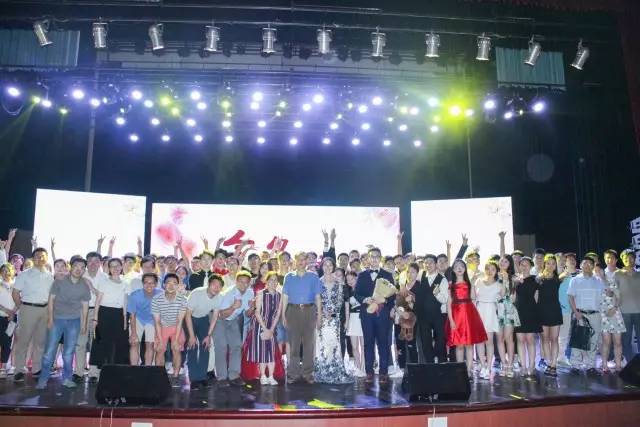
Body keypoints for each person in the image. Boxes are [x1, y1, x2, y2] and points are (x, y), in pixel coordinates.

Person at [36, 256, 90, 389]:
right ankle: (43, 379)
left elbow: (85, 306)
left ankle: (67, 379)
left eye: (82, 268)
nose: (79, 269)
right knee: (49, 351)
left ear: (84, 270)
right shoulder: (59, 281)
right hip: (57, 319)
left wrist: (83, 324)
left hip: (74, 321)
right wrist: (50, 318)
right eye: (76, 266)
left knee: (68, 352)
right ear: (71, 267)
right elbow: (51, 300)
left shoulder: (84, 285)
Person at [11, 247, 54, 382]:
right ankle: (19, 370)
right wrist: (21, 307)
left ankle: (36, 369)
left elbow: (51, 296)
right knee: (23, 341)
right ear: (32, 258)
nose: (40, 258)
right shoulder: (25, 274)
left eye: (43, 256)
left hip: (45, 310)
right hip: (28, 308)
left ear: (46, 258)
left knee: (40, 341)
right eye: (37, 256)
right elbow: (15, 293)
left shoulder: (49, 276)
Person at [355, 247, 396, 384]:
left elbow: (393, 295)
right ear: (368, 258)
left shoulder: (387, 274)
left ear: (380, 258)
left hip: (383, 314)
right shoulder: (362, 275)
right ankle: (369, 372)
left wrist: (385, 301)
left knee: (383, 343)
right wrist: (365, 299)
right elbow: (357, 293)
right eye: (372, 256)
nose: (374, 259)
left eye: (377, 256)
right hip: (366, 314)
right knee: (368, 343)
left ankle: (383, 372)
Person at [282, 252, 322, 384]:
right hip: (292, 311)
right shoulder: (289, 276)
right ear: (295, 261)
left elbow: (317, 297)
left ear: (306, 261)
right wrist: (283, 314)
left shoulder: (313, 277)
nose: (301, 262)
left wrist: (319, 315)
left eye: (303, 260)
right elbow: (285, 297)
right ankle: (293, 374)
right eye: (298, 259)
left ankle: (308, 373)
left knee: (309, 344)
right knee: (293, 344)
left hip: (310, 311)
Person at [445, 259, 487, 377]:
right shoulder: (451, 285)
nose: (459, 268)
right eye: (456, 267)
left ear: (465, 269)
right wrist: (451, 320)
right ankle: (460, 370)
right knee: (459, 345)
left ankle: (468, 370)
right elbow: (449, 304)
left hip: (469, 315)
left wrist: (472, 284)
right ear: (453, 270)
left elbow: (473, 297)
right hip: (457, 316)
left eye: (462, 266)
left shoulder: (468, 283)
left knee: (469, 344)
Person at [314, 258, 353, 384]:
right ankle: (323, 370)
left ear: (334, 267)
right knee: (322, 345)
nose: (327, 267)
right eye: (325, 265)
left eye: (330, 265)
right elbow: (314, 301)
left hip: (336, 320)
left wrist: (347, 320)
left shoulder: (339, 283)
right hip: (321, 318)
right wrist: (322, 313)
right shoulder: (317, 282)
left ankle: (335, 370)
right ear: (322, 267)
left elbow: (346, 303)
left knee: (334, 345)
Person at [214, 270, 254, 387]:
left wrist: (252, 308)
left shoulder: (250, 292)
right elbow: (221, 314)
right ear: (236, 282)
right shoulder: (228, 293)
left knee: (236, 346)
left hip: (233, 320)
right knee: (221, 347)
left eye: (246, 282)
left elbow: (247, 314)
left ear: (249, 283)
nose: (243, 284)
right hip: (220, 320)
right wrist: (233, 307)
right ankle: (222, 377)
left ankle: (234, 375)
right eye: (240, 281)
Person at [90, 258, 129, 378]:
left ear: (121, 267)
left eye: (118, 266)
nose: (115, 268)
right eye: (112, 266)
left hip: (119, 315)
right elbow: (98, 301)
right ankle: (101, 372)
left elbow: (125, 302)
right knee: (103, 342)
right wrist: (95, 319)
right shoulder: (104, 282)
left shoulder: (125, 283)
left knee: (119, 343)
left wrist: (125, 319)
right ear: (109, 268)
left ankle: (116, 372)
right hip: (104, 313)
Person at [185, 274, 224, 389]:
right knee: (192, 346)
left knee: (206, 346)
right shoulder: (197, 293)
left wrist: (209, 335)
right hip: (190, 318)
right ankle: (194, 379)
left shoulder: (219, 297)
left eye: (219, 286)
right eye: (214, 285)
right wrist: (191, 335)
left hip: (203, 319)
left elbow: (215, 317)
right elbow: (187, 314)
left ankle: (202, 377)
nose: (216, 288)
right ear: (208, 284)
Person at [567, 256, 605, 374]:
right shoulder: (575, 280)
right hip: (580, 314)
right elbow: (570, 297)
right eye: (585, 263)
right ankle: (575, 365)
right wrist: (576, 312)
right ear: (581, 265)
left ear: (593, 266)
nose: (587, 265)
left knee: (593, 341)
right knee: (578, 340)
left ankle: (590, 366)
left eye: (590, 263)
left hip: (595, 315)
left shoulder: (598, 280)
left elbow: (605, 296)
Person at [73, 251, 105, 383]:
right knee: (80, 342)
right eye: (90, 261)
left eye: (96, 261)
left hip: (98, 312)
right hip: (81, 311)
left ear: (100, 263)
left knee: (95, 343)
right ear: (86, 262)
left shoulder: (105, 277)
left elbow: (103, 296)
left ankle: (94, 373)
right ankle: (79, 372)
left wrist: (91, 287)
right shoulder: (79, 275)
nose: (93, 264)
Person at [247, 271, 282, 385]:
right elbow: (257, 313)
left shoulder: (279, 296)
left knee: (271, 352)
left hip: (272, 326)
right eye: (271, 280)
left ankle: (271, 376)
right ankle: (262, 375)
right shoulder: (261, 293)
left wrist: (271, 329)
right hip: (260, 326)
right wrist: (265, 328)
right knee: (262, 352)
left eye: (275, 280)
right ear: (267, 281)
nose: (273, 282)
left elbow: (278, 314)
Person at [151, 273, 187, 383]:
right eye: (168, 283)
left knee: (176, 349)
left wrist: (176, 340)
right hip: (162, 327)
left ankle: (175, 376)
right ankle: (159, 376)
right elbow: (157, 321)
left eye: (174, 283)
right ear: (163, 285)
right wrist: (160, 340)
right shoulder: (156, 299)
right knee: (160, 349)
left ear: (178, 286)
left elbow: (180, 321)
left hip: (176, 327)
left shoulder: (182, 299)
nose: (171, 286)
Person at [413, 255, 448, 364]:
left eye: (431, 262)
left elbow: (445, 299)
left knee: (440, 340)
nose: (428, 265)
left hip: (438, 314)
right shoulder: (421, 277)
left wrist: (437, 294)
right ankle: (429, 364)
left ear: (436, 264)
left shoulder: (442, 279)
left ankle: (442, 363)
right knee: (425, 341)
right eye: (426, 263)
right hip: (423, 315)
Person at [474, 261, 502, 380]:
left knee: (489, 341)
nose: (490, 271)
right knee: (479, 341)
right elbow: (473, 297)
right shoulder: (478, 281)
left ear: (496, 271)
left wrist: (504, 280)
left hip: (490, 311)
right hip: (479, 311)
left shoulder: (498, 284)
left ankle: (489, 367)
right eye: (488, 269)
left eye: (493, 269)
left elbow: (503, 296)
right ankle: (483, 365)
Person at [128, 272, 162, 366]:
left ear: (156, 284)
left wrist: (157, 333)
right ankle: (134, 368)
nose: (149, 285)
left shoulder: (161, 294)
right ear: (142, 283)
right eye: (146, 282)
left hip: (152, 320)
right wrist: (133, 333)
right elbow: (132, 315)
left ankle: (148, 368)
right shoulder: (134, 295)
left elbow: (160, 315)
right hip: (138, 319)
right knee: (134, 343)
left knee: (150, 344)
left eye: (152, 283)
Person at [537, 254, 563, 377]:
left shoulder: (558, 278)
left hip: (555, 311)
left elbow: (564, 268)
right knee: (545, 339)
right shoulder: (539, 279)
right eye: (548, 263)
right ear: (544, 264)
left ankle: (554, 365)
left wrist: (559, 258)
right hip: (542, 311)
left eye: (553, 263)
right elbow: (536, 296)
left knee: (554, 339)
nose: (550, 266)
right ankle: (548, 363)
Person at [515, 257, 541, 378]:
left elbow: (536, 297)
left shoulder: (535, 279)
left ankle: (531, 365)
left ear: (531, 266)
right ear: (519, 266)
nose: (524, 267)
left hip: (531, 311)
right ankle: (523, 367)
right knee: (520, 340)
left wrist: (536, 311)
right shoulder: (515, 279)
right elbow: (513, 296)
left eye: (526, 264)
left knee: (530, 339)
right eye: (522, 264)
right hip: (518, 311)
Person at [600, 254, 626, 373]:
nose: (599, 273)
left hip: (615, 313)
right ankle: (604, 365)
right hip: (603, 314)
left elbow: (619, 297)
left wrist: (614, 308)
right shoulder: (596, 282)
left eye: (600, 272)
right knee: (606, 341)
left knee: (618, 341)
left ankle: (618, 365)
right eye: (597, 271)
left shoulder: (613, 280)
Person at [496, 255, 520, 377]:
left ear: (510, 264)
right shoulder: (494, 276)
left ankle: (510, 364)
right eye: (501, 261)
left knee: (509, 338)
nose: (503, 263)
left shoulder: (514, 278)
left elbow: (513, 298)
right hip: (497, 310)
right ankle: (504, 363)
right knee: (499, 339)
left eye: (506, 261)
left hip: (509, 309)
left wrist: (507, 281)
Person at [616, 249, 640, 363]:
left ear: (635, 259)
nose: (628, 260)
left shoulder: (639, 274)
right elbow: (614, 292)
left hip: (639, 311)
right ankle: (629, 362)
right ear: (622, 260)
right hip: (624, 311)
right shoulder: (617, 274)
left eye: (631, 258)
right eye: (626, 258)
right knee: (626, 339)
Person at [557, 253, 579, 366]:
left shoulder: (580, 274)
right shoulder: (561, 275)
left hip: (578, 310)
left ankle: (574, 358)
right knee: (563, 335)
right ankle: (560, 357)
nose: (572, 261)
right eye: (569, 259)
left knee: (576, 335)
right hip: (564, 309)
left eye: (573, 259)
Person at [345, 270, 364, 376]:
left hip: (363, 319)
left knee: (364, 346)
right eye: (348, 280)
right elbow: (347, 309)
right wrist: (347, 322)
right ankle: (357, 367)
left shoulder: (363, 290)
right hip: (353, 319)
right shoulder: (347, 292)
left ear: (357, 278)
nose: (350, 281)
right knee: (354, 347)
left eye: (352, 279)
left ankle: (364, 368)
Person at [0, 263, 16, 379]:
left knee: (7, 342)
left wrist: (12, 313)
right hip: (1, 316)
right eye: (4, 271)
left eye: (8, 270)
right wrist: (6, 310)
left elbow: (20, 300)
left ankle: (4, 366)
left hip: (12, 318)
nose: (6, 273)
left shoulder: (16, 285)